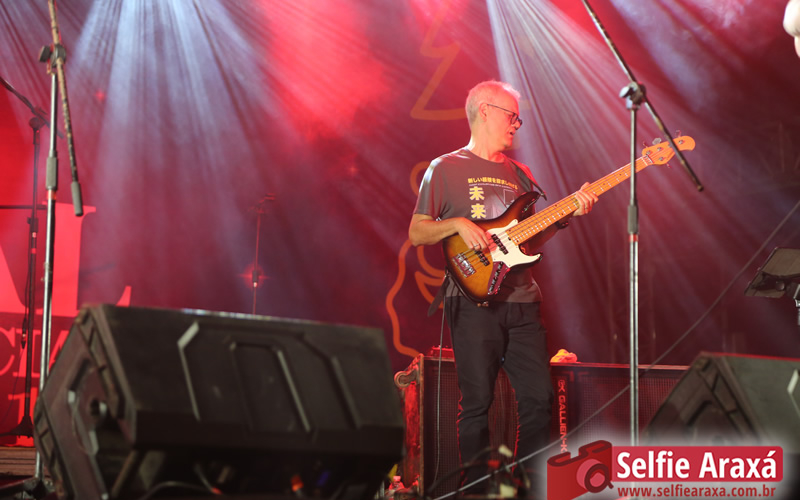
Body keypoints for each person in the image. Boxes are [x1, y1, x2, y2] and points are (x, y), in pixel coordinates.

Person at [408, 80, 597, 497]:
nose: (516, 124)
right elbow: (418, 232)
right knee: (477, 404)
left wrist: (566, 215)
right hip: (472, 300)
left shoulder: (521, 174)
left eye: (518, 118)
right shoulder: (445, 167)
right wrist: (458, 224)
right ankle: (477, 492)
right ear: (484, 111)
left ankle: (523, 489)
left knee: (539, 401)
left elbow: (529, 239)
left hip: (523, 300)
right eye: (512, 116)